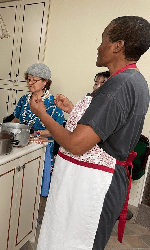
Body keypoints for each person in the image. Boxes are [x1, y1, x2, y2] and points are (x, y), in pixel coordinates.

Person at [30, 16, 150, 249]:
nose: (99, 46)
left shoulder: (117, 86)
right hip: (100, 179)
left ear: (118, 46)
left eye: (103, 39)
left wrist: (42, 114)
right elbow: (107, 127)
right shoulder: (134, 80)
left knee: (77, 243)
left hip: (93, 185)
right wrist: (73, 110)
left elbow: (77, 144)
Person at [11, 63, 65, 197]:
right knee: (21, 183)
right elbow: (17, 119)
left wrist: (35, 133)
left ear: (45, 82)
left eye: (34, 80)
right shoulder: (24, 99)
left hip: (43, 146)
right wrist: (5, 129)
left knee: (37, 184)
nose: (30, 83)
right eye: (28, 79)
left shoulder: (53, 103)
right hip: (22, 143)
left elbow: (57, 130)